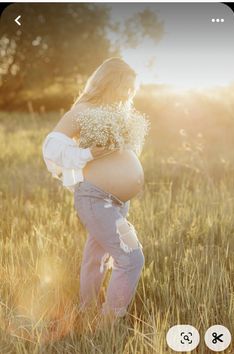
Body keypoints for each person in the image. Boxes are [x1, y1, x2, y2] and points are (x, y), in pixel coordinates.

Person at [42, 57, 147, 324]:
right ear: (108, 82)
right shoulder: (83, 110)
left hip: (118, 202)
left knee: (96, 258)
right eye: (124, 88)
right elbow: (51, 147)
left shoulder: (118, 114)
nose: (128, 95)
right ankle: (108, 323)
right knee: (132, 257)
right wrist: (88, 153)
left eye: (132, 90)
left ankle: (86, 312)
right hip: (95, 198)